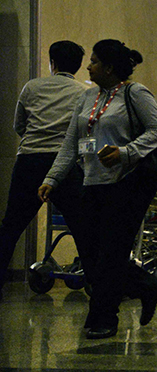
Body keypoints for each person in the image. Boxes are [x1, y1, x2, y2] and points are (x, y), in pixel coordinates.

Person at [39, 40, 157, 338]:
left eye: (94, 61)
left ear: (109, 67)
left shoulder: (135, 93)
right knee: (95, 255)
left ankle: (104, 317)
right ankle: (146, 286)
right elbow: (71, 144)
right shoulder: (86, 98)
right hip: (90, 183)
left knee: (110, 255)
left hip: (126, 185)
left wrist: (126, 152)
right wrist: (52, 178)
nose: (89, 66)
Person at [0, 41, 89, 295]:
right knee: (81, 227)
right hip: (65, 164)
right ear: (80, 65)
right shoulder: (83, 92)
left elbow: (20, 126)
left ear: (53, 62)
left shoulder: (32, 87)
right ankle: (97, 283)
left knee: (11, 226)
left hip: (29, 161)